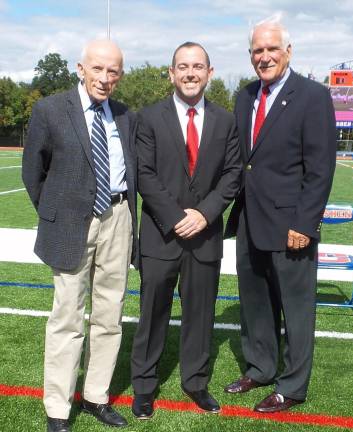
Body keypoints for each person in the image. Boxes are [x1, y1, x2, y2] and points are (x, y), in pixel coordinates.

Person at [22, 39, 137, 432]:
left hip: (118, 217)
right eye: (98, 69)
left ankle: (96, 397)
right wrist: (57, 214)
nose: (105, 79)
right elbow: (32, 173)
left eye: (113, 71)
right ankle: (58, 408)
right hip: (72, 222)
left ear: (120, 76)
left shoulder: (124, 114)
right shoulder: (50, 109)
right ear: (80, 68)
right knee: (67, 317)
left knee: (110, 314)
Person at [224, 17, 337, 412]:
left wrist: (305, 224)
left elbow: (321, 168)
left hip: (292, 227)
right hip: (250, 223)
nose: (265, 56)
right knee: (255, 302)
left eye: (272, 48)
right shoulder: (244, 96)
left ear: (289, 52)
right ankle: (261, 367)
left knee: (297, 309)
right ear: (250, 55)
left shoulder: (312, 96)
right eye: (258, 50)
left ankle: (291, 386)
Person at [130, 41, 241, 419]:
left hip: (205, 237)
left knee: (200, 315)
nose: (190, 73)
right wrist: (178, 216)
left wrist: (205, 214)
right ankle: (144, 387)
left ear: (209, 73)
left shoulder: (226, 121)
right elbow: (143, 173)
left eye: (197, 66)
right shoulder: (148, 118)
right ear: (171, 73)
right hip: (161, 235)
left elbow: (232, 174)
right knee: (152, 313)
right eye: (183, 66)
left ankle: (196, 382)